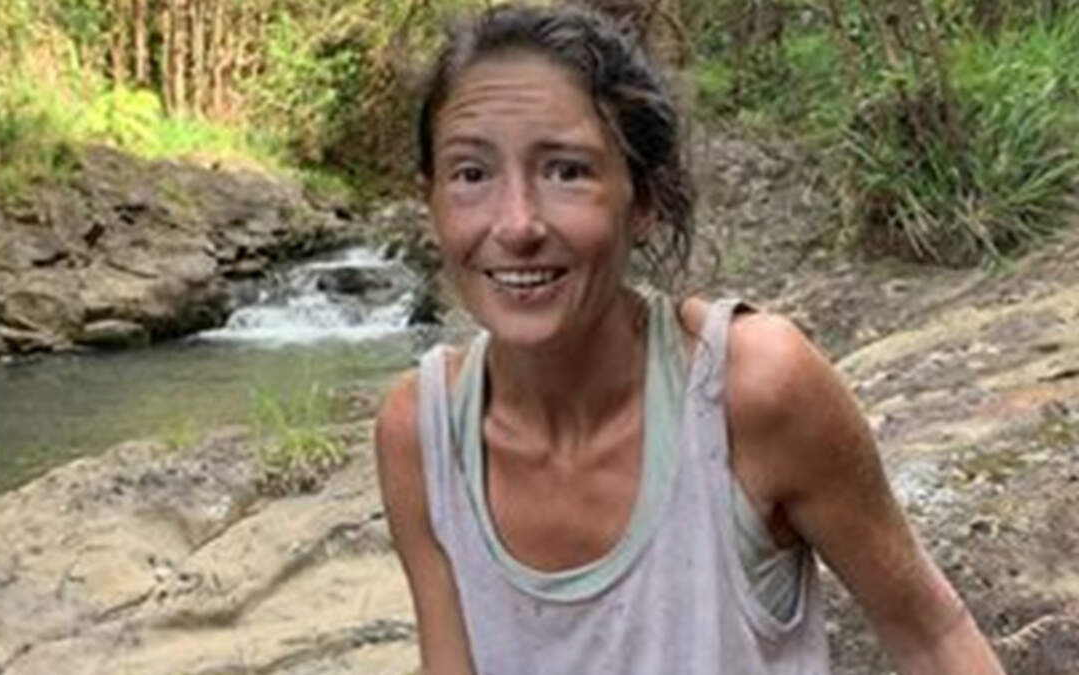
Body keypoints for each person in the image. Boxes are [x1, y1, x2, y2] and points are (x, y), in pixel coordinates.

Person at [374, 3, 1007, 673]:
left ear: (644, 200)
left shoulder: (748, 390)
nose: (517, 224)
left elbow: (933, 635)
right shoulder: (422, 433)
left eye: (567, 171)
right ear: (430, 202)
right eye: (472, 174)